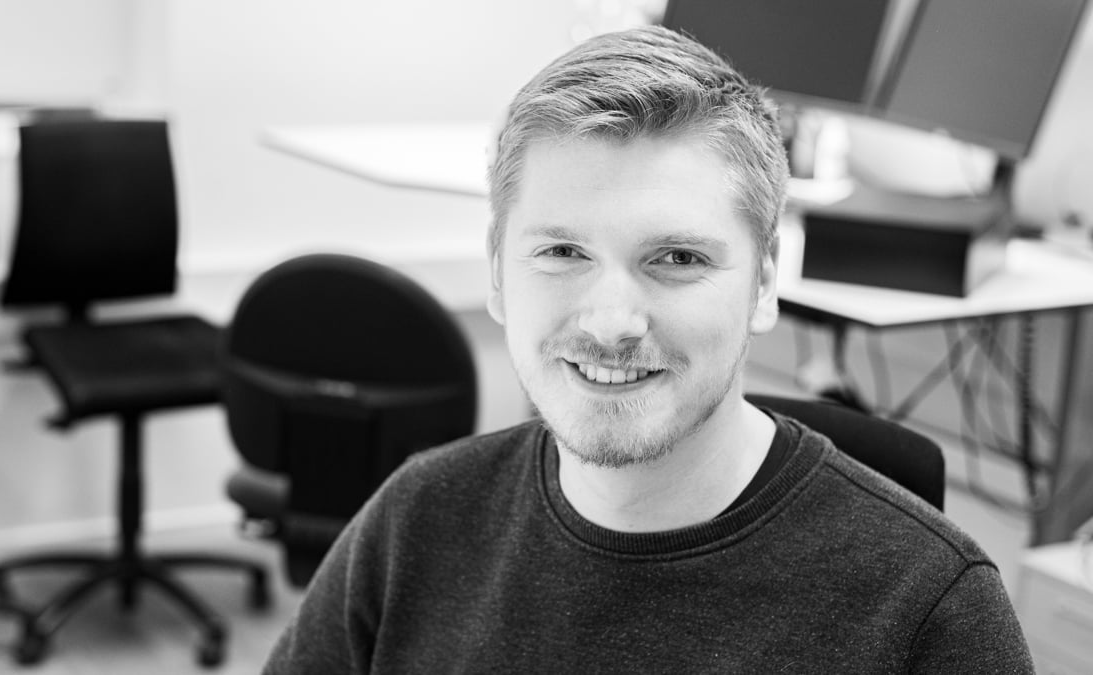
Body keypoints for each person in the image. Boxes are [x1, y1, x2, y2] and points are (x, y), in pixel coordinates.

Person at [264, 25, 1033, 673]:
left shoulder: (928, 612)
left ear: (765, 281)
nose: (610, 322)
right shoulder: (416, 522)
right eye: (562, 251)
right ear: (497, 271)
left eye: (677, 258)